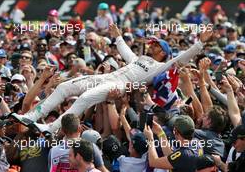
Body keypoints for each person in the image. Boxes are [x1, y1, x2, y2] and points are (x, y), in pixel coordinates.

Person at [11, 24, 212, 134]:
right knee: (64, 87)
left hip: (119, 86)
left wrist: (199, 44)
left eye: (156, 45)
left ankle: (51, 128)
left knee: (85, 98)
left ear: (163, 52)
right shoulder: (139, 59)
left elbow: (181, 58)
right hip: (107, 77)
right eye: (152, 44)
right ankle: (31, 117)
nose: (151, 46)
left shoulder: (161, 67)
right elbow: (125, 51)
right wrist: (117, 36)